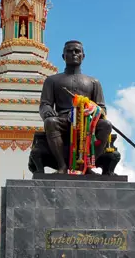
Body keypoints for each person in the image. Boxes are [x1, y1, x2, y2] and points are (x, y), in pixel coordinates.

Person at [39, 40, 112, 173]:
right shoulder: (52, 81)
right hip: (63, 120)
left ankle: (88, 166)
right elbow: (45, 104)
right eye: (69, 51)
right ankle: (62, 165)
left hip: (87, 122)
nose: (74, 54)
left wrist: (92, 111)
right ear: (63, 56)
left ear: (83, 56)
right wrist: (47, 111)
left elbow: (102, 108)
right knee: (50, 122)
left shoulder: (93, 82)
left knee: (106, 125)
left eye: (77, 51)